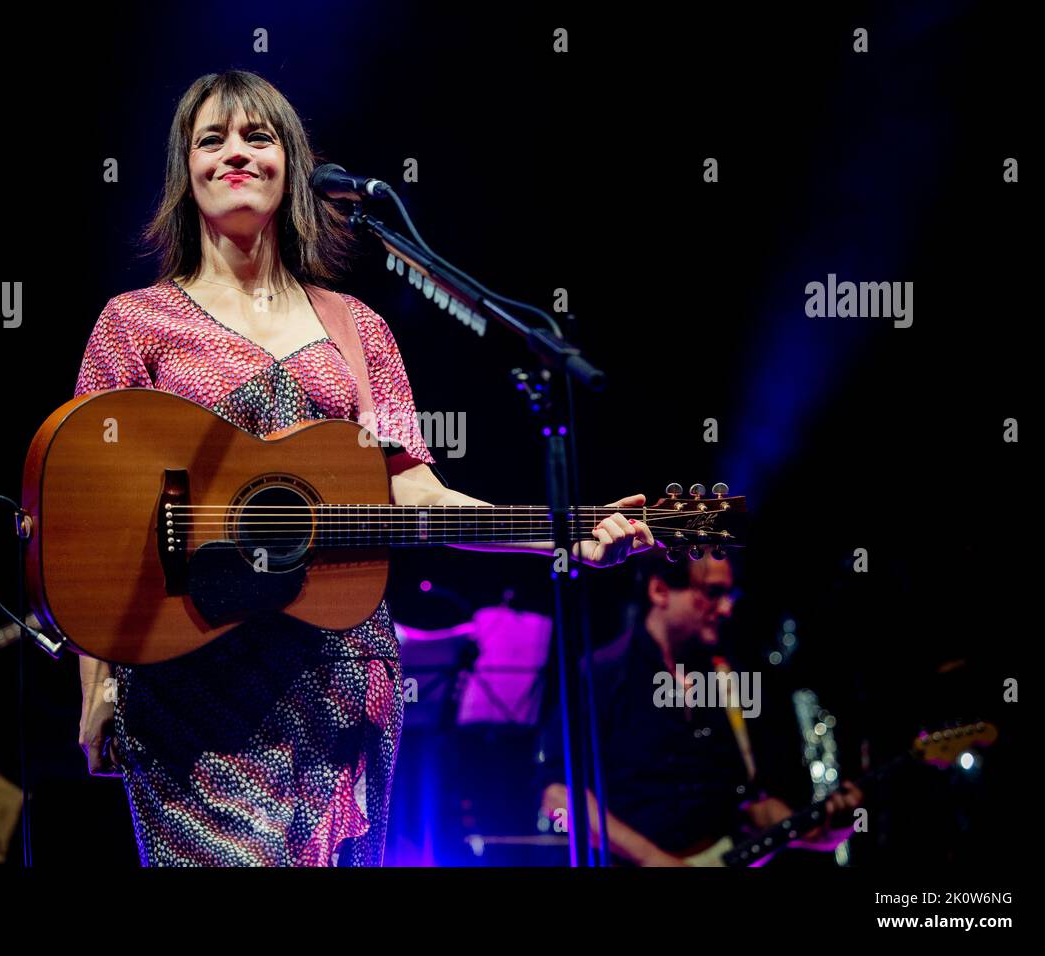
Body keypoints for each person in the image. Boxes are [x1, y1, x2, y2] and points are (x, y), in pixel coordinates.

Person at [73, 69, 660, 866]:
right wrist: (97, 686)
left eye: (259, 136)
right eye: (212, 140)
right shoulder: (134, 324)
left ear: (294, 165)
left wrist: (567, 535)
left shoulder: (359, 329)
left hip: (339, 680)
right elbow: (91, 521)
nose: (236, 154)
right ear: (187, 170)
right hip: (187, 685)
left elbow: (417, 495)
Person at [538, 552, 863, 865]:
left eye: (729, 594)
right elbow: (558, 797)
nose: (726, 608)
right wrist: (653, 859)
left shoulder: (726, 677)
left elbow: (748, 803)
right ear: (660, 590)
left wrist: (820, 831)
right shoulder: (601, 673)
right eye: (712, 592)